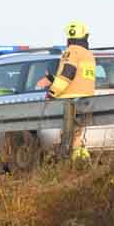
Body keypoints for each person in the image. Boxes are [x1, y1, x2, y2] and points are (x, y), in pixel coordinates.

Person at [40, 21, 97, 161]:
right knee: (77, 136)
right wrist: (53, 79)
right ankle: (81, 163)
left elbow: (67, 75)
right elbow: (77, 78)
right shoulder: (88, 54)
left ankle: (75, 165)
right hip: (86, 100)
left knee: (68, 137)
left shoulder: (72, 52)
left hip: (71, 102)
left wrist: (51, 93)